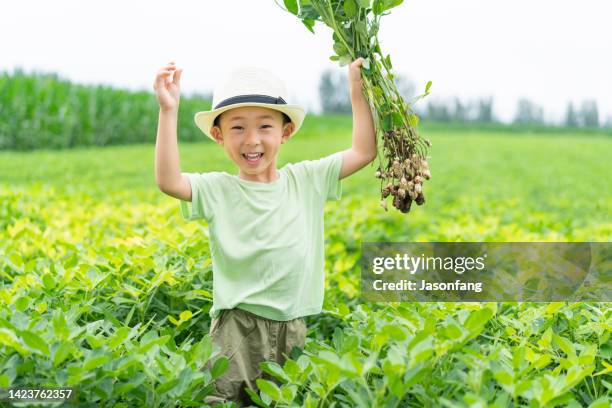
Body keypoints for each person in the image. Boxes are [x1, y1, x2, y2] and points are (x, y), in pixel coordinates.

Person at [153, 59, 376, 406]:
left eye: (265, 127)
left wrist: (357, 92)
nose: (252, 140)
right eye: (237, 128)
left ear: (285, 133)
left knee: (285, 401)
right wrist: (168, 111)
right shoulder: (218, 189)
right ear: (218, 135)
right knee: (223, 400)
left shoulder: (307, 180)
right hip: (236, 329)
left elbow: (364, 151)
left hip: (293, 324)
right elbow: (169, 181)